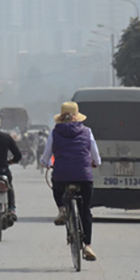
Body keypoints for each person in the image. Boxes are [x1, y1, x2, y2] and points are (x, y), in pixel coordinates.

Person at [40, 101, 101, 262]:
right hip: (83, 176)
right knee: (85, 210)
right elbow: (96, 156)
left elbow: (46, 156)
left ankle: (62, 209)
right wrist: (95, 163)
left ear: (60, 117)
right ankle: (87, 245)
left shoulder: (55, 132)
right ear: (77, 116)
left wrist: (45, 163)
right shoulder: (87, 131)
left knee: (57, 187)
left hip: (61, 175)